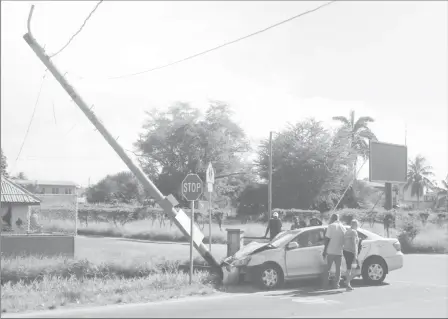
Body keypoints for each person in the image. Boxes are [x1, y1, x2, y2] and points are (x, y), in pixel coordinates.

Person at [321, 213, 346, 289]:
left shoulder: (331, 226)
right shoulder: (343, 227)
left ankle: (325, 285)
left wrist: (324, 250)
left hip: (330, 251)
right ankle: (336, 285)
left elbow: (327, 239)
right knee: (338, 270)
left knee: (327, 269)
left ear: (332, 218)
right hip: (339, 251)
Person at [343, 219, 360, 291]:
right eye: (357, 225)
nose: (357, 227)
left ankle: (348, 283)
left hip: (346, 251)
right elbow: (354, 243)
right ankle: (347, 282)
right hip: (351, 252)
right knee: (355, 270)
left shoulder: (347, 231)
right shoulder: (353, 232)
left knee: (349, 268)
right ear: (355, 225)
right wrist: (355, 254)